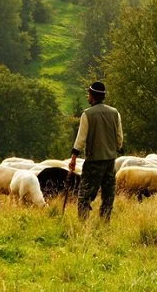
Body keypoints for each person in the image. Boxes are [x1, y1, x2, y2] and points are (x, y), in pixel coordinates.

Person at [68, 81, 123, 221]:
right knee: (108, 194)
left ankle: (83, 223)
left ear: (92, 96)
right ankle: (105, 221)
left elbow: (81, 139)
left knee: (85, 194)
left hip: (93, 161)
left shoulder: (87, 114)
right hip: (110, 160)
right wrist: (117, 148)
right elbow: (119, 137)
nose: (88, 96)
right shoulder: (114, 113)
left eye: (88, 94)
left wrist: (74, 157)